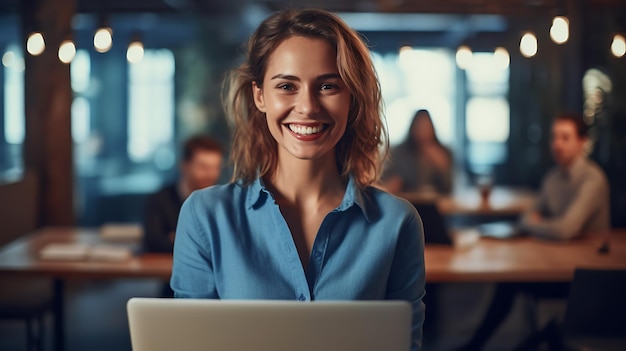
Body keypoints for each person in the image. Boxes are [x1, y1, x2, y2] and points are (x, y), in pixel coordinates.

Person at [170, 9, 426, 350]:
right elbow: (187, 344)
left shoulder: (397, 223)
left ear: (352, 99)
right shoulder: (204, 216)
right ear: (259, 96)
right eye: (287, 86)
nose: (307, 106)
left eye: (328, 86)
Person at [460, 113, 610, 351]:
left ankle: (485, 344)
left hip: (586, 279)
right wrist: (542, 223)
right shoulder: (553, 178)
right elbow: (525, 218)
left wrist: (541, 224)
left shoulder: (592, 180)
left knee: (511, 283)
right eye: (554, 137)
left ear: (582, 142)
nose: (557, 144)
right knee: (509, 280)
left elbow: (564, 229)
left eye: (565, 137)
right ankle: (477, 345)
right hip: (558, 267)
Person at [142, 135, 223, 254]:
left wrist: (178, 238)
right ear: (184, 166)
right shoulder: (159, 199)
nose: (210, 175)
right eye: (203, 167)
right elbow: (153, 242)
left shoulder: (222, 202)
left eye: (215, 168)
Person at [384, 109, 453, 195]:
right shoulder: (400, 152)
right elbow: (389, 180)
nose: (423, 131)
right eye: (420, 127)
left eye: (426, 127)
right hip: (407, 201)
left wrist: (442, 168)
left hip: (436, 204)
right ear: (413, 128)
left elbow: (449, 187)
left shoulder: (443, 152)